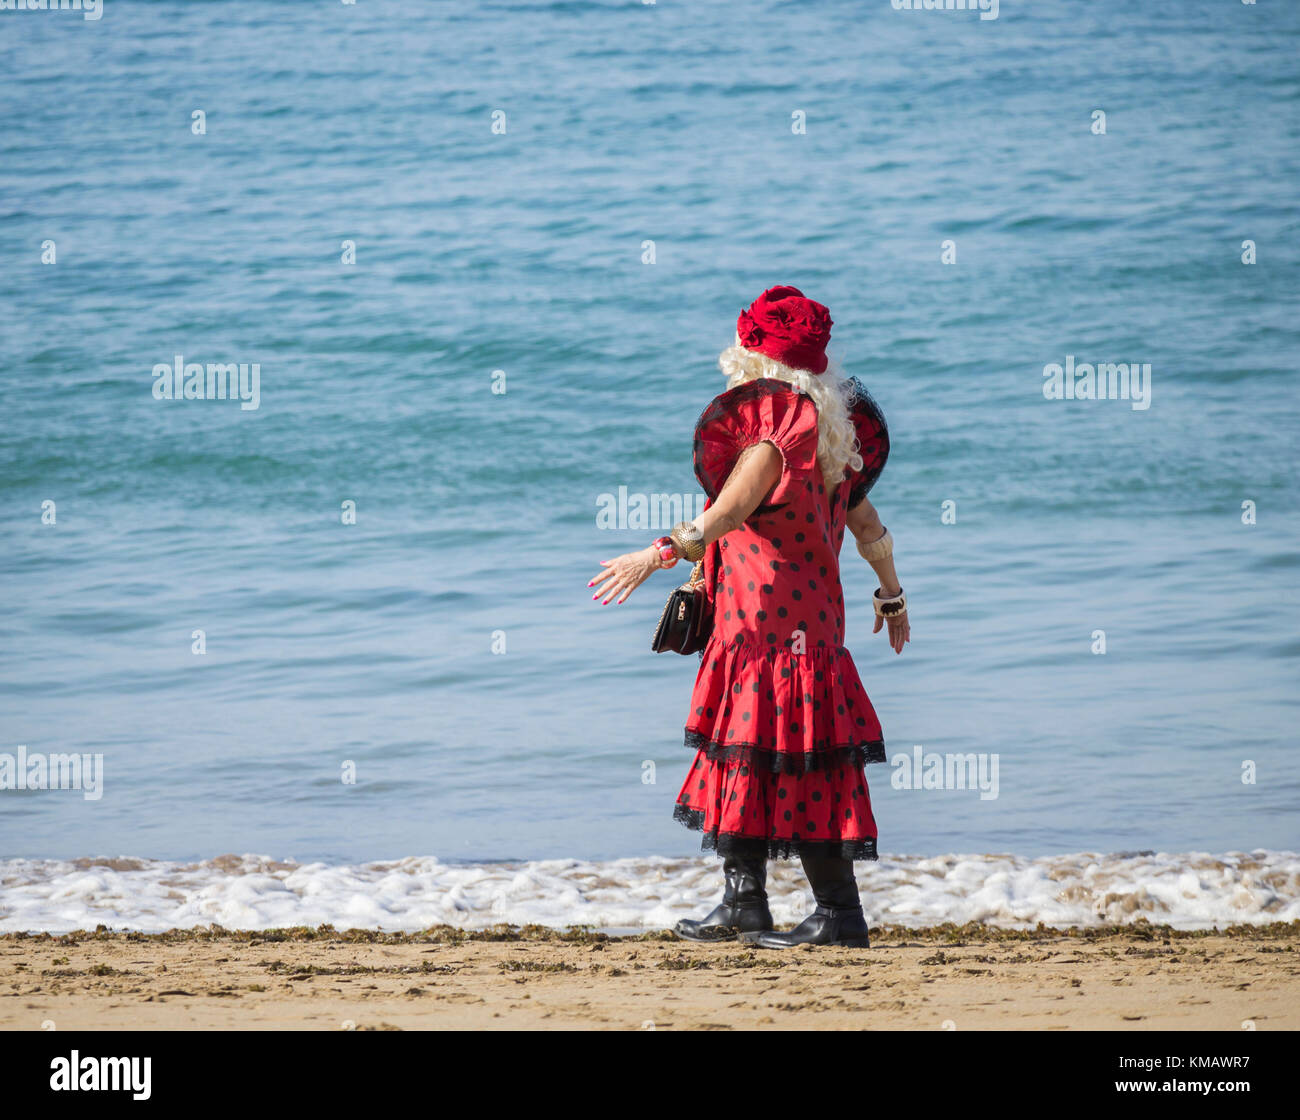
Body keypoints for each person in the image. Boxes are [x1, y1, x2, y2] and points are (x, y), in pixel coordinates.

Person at [589, 286, 908, 948]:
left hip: (767, 636)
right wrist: (893, 594)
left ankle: (839, 915)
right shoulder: (832, 443)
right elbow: (871, 524)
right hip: (797, 632)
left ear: (755, 363)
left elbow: (726, 516)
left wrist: (654, 556)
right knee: (756, 759)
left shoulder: (769, 445)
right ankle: (745, 902)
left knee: (795, 765)